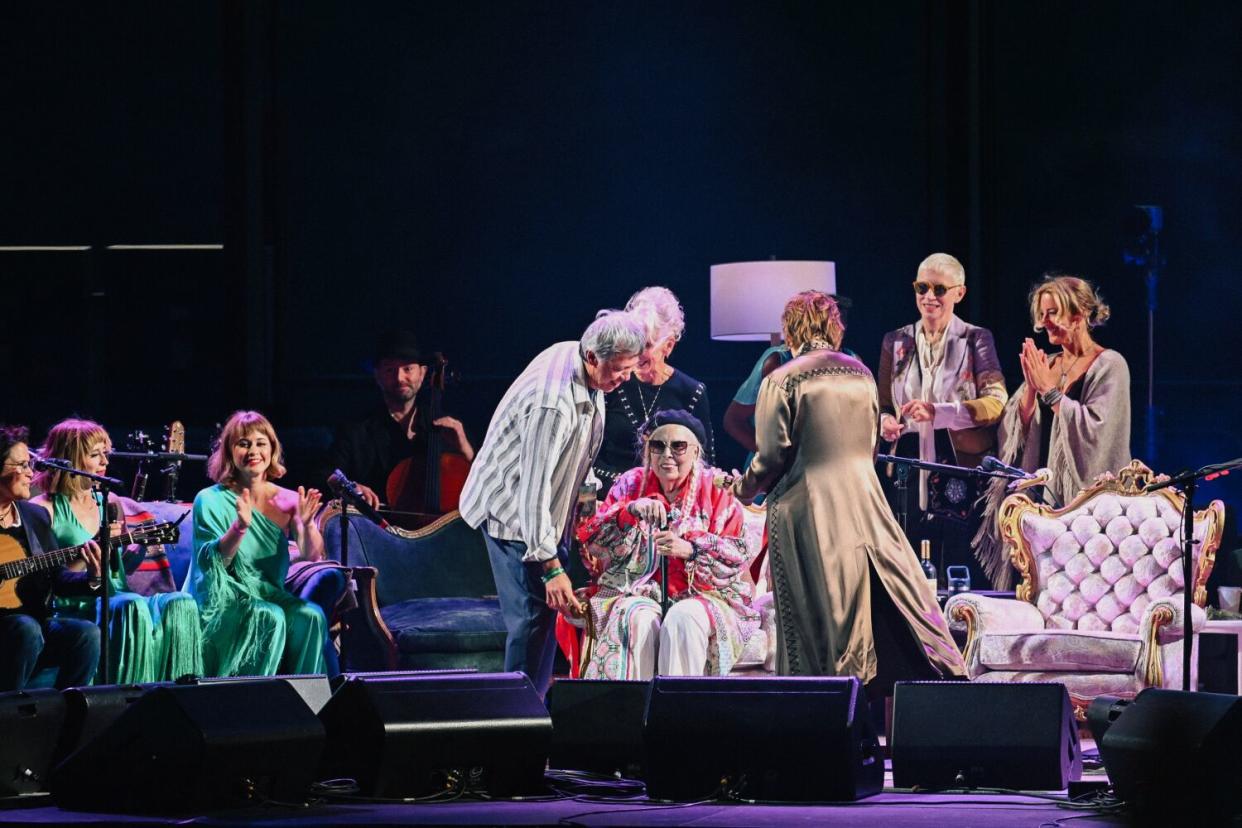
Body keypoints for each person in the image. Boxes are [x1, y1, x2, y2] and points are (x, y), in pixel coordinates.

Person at [733, 291, 965, 696]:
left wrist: (740, 488)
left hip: (809, 508)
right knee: (891, 596)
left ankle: (820, 710)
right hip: (866, 501)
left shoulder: (782, 379)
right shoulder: (861, 374)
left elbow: (770, 457)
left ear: (792, 328)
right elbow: (871, 446)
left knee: (818, 615)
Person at [459, 310, 646, 696]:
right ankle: (515, 726)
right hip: (511, 510)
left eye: (629, 369)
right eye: (619, 369)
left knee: (543, 616)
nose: (624, 378)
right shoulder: (553, 404)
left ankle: (533, 714)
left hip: (544, 507)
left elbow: (573, 455)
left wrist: (586, 513)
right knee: (531, 619)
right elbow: (533, 492)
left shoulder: (580, 358)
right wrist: (550, 566)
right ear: (593, 357)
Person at [974, 274, 1131, 589]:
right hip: (1039, 504)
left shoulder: (1109, 364)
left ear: (1080, 314)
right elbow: (1012, 430)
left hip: (1084, 510)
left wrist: (1052, 394)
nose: (1044, 322)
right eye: (1041, 315)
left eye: (1052, 313)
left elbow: (1099, 433)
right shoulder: (1047, 364)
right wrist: (1032, 392)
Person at [577, 410, 759, 678]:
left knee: (682, 619)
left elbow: (737, 555)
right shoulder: (631, 484)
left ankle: (677, 713)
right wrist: (629, 512)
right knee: (633, 617)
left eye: (678, 446)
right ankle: (632, 713)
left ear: (696, 453)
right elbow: (592, 540)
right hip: (640, 590)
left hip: (706, 593)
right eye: (658, 446)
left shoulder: (717, 489)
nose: (667, 455)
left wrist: (692, 550)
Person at [32, 418, 202, 684]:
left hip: (116, 593)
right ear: (69, 460)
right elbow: (47, 575)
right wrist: (88, 557)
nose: (104, 462)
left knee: (180, 602)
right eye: (94, 455)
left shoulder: (108, 501)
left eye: (105, 453)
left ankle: (177, 692)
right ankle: (125, 696)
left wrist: (134, 551)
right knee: (130, 604)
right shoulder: (44, 508)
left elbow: (119, 568)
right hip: (79, 603)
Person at [876, 253, 1008, 584]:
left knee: (953, 557)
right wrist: (885, 422)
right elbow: (880, 404)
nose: (929, 297)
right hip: (905, 463)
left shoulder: (976, 339)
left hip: (957, 466)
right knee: (905, 553)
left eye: (939, 289)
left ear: (959, 293)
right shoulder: (896, 341)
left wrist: (941, 412)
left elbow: (996, 403)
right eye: (922, 287)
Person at [188, 410, 329, 676]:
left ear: (272, 449)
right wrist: (239, 527)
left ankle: (305, 706)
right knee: (269, 616)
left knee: (311, 616)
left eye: (260, 443)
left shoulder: (288, 500)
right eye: (244, 443)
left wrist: (309, 524)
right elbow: (214, 564)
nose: (253, 451)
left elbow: (312, 554)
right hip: (222, 596)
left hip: (268, 593)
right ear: (230, 452)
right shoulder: (208, 499)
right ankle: (256, 705)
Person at [326, 330, 474, 510]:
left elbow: (480, 487)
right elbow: (327, 474)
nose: (399, 378)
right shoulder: (356, 430)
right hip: (378, 532)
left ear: (422, 373)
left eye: (408, 369)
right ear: (377, 375)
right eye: (390, 370)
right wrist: (348, 486)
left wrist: (465, 451)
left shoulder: (447, 428)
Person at [0, 425, 101, 691]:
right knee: (26, 628)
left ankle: (67, 717)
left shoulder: (34, 517)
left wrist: (92, 577)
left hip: (35, 624)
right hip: (12, 629)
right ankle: (9, 718)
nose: (31, 473)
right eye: (22, 465)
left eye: (30, 464)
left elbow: (58, 577)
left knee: (86, 634)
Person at [593, 287, 713, 491]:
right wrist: (630, 486)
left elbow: (705, 464)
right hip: (612, 498)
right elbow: (589, 457)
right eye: (634, 341)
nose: (637, 352)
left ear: (669, 346)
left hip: (670, 505)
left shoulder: (692, 391)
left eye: (647, 345)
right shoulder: (612, 382)